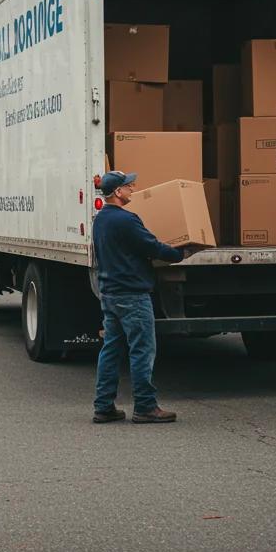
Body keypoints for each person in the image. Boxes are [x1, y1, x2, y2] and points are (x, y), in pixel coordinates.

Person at [92, 170, 187, 424]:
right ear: (117, 193)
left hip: (110, 292)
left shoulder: (100, 219)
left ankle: (103, 406)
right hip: (132, 294)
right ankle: (145, 406)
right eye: (128, 186)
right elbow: (151, 246)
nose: (132, 189)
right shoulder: (126, 220)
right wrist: (180, 254)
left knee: (111, 350)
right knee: (142, 350)